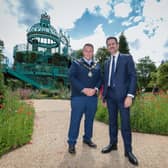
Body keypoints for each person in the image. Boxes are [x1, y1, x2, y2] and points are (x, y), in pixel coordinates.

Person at [101, 36, 138, 166]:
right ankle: (113, 144)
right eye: (108, 44)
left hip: (123, 98)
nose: (111, 46)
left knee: (125, 124)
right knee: (112, 122)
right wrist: (104, 97)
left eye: (113, 44)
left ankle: (128, 151)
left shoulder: (127, 58)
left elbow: (133, 76)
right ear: (107, 47)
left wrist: (130, 96)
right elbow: (105, 82)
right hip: (110, 97)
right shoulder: (106, 63)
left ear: (117, 45)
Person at [67, 43, 101, 154]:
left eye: (90, 51)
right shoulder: (76, 63)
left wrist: (95, 89)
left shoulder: (97, 65)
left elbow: (100, 80)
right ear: (83, 52)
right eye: (86, 50)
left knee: (90, 120)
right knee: (75, 120)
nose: (88, 53)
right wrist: (83, 89)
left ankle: (87, 139)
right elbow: (71, 77)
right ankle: (72, 143)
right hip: (78, 97)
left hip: (92, 98)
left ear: (93, 52)